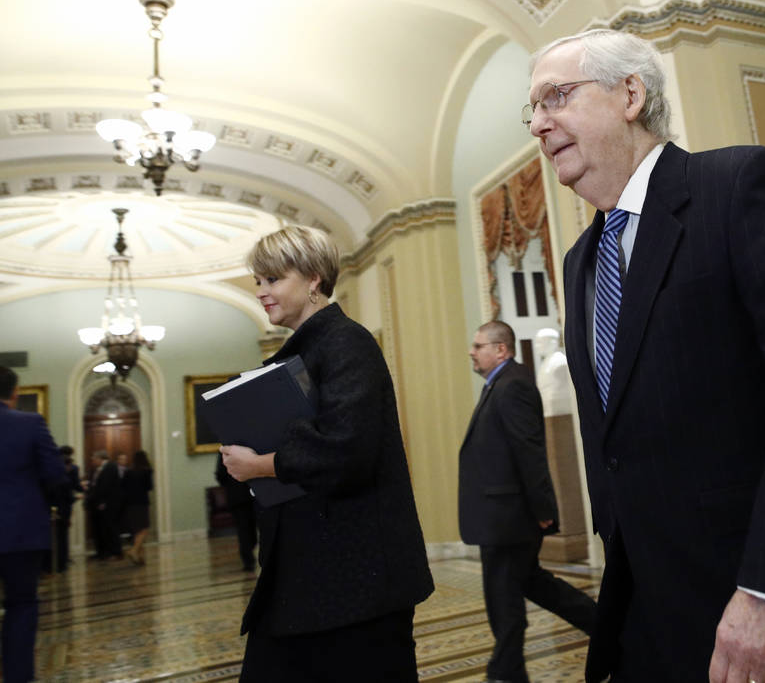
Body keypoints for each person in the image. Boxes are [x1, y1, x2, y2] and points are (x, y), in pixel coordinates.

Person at [525, 30, 765, 682]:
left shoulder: (739, 186)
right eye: (530, 108)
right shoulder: (583, 260)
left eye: (555, 97)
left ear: (630, 94)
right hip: (652, 620)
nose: (537, 123)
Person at [220, 225, 433, 682]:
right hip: (314, 573)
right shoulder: (305, 349)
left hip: (358, 579)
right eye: (258, 282)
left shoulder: (346, 342)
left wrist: (258, 464)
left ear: (314, 278)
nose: (261, 292)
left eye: (272, 280)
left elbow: (346, 451)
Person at [459, 320, 596, 683]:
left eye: (478, 345)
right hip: (500, 516)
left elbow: (529, 452)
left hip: (509, 518)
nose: (472, 352)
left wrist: (543, 511)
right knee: (531, 586)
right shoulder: (500, 384)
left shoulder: (513, 385)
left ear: (501, 349)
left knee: (505, 602)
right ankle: (607, 627)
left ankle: (505, 673)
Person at [0, 365, 66, 683]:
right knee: (21, 606)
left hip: (20, 530)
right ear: (14, 393)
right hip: (21, 532)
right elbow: (55, 475)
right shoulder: (29, 423)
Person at [215, 451, 258, 572]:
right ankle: (252, 556)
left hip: (237, 495)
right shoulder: (251, 444)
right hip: (254, 494)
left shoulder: (225, 450)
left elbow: (220, 475)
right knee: (253, 528)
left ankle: (248, 561)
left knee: (243, 529)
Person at [85, 449, 123, 560]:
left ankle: (116, 552)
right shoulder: (97, 469)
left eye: (93, 458)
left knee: (111, 528)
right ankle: (101, 552)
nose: (92, 461)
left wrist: (100, 500)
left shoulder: (111, 467)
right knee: (100, 529)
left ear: (100, 459)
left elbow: (105, 487)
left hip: (109, 505)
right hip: (98, 504)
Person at [50, 445, 81, 573]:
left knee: (57, 537)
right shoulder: (65, 479)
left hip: (54, 510)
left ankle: (58, 563)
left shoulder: (53, 476)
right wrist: (77, 497)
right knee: (62, 538)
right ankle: (62, 564)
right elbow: (69, 496)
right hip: (64, 511)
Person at [532, 327, 572, 416]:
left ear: (552, 343)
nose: (536, 346)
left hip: (559, 405)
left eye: (540, 342)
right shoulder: (545, 363)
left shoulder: (560, 361)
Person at [123, 450, 154, 565]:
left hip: (130, 504)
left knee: (137, 530)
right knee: (144, 529)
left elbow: (123, 487)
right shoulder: (147, 471)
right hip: (142, 503)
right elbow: (149, 487)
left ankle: (140, 557)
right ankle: (134, 551)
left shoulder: (128, 471)